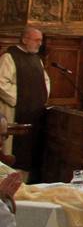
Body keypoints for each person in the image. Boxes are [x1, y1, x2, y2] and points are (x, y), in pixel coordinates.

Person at [0, 26, 48, 170]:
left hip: (34, 112)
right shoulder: (9, 57)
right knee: (14, 150)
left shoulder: (36, 59)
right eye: (37, 40)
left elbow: (45, 81)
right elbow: (1, 82)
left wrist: (41, 95)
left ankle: (26, 182)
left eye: (41, 40)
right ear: (25, 39)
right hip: (15, 111)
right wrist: (20, 97)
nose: (40, 43)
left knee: (30, 150)